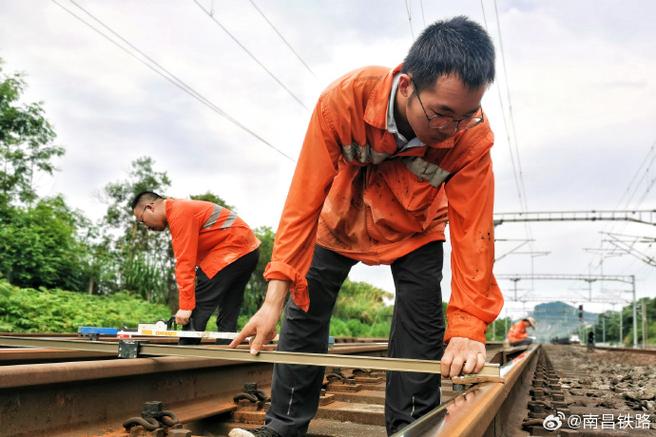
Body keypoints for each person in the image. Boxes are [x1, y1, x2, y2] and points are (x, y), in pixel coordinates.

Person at [229, 16, 503, 437]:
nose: (451, 131)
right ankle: (281, 429)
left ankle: (413, 428)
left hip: (417, 229)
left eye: (466, 116)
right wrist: (273, 297)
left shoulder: (471, 139)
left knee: (421, 326)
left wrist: (468, 327)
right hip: (339, 222)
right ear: (408, 85)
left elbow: (475, 235)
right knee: (304, 312)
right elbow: (303, 199)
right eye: (443, 115)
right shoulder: (344, 101)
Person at [131, 191, 260, 344]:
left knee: (199, 303)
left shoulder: (178, 212)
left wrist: (185, 307)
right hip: (248, 251)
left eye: (142, 220)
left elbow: (185, 261)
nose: (147, 227)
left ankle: (185, 352)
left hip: (233, 249)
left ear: (150, 207)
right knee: (229, 305)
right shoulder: (182, 209)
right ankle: (226, 350)